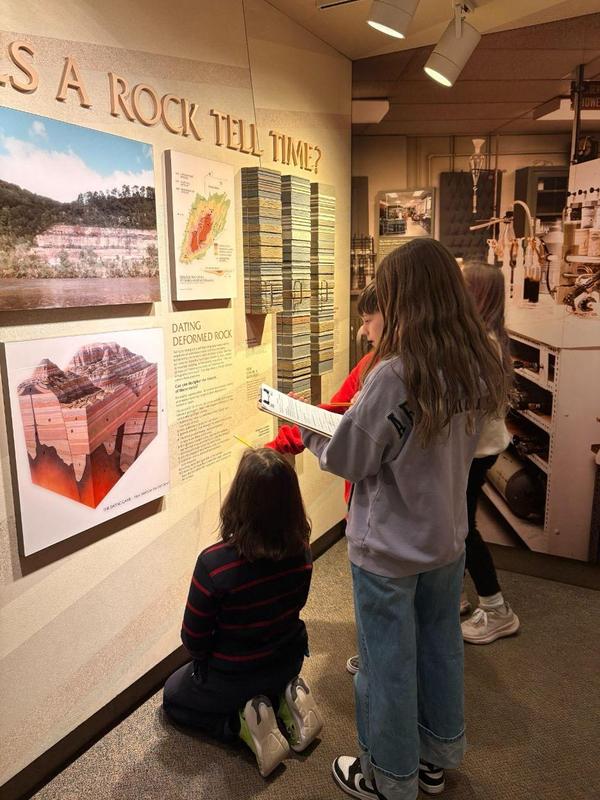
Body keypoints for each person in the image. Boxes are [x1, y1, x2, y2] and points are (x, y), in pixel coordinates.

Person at [301, 239, 508, 800]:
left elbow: (350, 458)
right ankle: (433, 759)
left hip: (389, 548)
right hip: (445, 541)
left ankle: (387, 776)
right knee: (439, 648)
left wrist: (313, 429)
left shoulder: (395, 373)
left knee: (386, 663)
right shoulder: (474, 363)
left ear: (405, 299)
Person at [162, 448, 323, 778]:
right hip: (286, 660)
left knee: (173, 696)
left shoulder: (214, 564)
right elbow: (298, 605)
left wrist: (207, 665)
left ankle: (237, 724)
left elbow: (193, 639)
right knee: (269, 676)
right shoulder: (302, 551)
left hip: (232, 676)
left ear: (239, 498)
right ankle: (286, 697)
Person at [265, 281, 383, 508]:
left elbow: (347, 458)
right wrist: (285, 438)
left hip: (379, 513)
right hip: (367, 509)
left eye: (368, 320)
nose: (363, 331)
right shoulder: (370, 363)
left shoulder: (389, 374)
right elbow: (335, 410)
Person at [460, 263, 520, 644]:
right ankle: (453, 596)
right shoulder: (487, 337)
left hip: (477, 451)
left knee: (462, 529)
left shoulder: (482, 344)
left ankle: (497, 609)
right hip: (481, 447)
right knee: (456, 525)